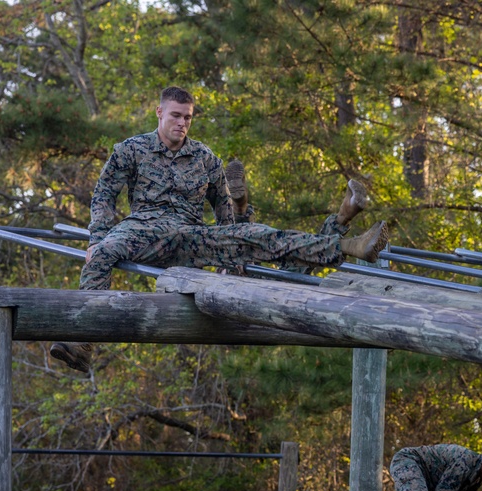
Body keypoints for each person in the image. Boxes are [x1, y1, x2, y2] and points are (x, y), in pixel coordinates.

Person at [50, 85, 387, 373]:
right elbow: (104, 195)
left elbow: (223, 217)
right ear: (159, 113)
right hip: (142, 230)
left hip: (191, 235)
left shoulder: (205, 158)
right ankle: (81, 342)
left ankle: (346, 245)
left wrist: (232, 255)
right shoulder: (131, 149)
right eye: (176, 116)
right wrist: (97, 238)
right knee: (102, 253)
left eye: (187, 117)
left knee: (255, 236)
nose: (182, 123)